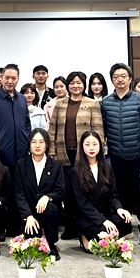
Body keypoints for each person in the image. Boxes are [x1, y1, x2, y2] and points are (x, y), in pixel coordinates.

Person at [101, 63, 140, 244]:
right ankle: (125, 229)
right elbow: (104, 128)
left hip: (138, 154)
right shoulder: (106, 102)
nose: (120, 79)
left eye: (123, 76)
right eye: (116, 76)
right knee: (119, 193)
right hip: (116, 155)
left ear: (130, 79)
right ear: (112, 80)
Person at [48, 71, 103, 240]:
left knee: (82, 190)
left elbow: (98, 130)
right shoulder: (60, 104)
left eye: (79, 82)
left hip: (85, 153)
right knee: (67, 190)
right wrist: (51, 151)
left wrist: (98, 152)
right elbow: (52, 129)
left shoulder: (92, 103)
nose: (75, 86)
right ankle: (70, 226)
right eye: (72, 83)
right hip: (64, 152)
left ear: (84, 85)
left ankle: (83, 225)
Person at [71, 130, 132, 252]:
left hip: (105, 213)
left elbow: (113, 195)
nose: (91, 148)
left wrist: (119, 208)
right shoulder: (76, 171)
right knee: (104, 231)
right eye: (87, 144)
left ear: (101, 145)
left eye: (95, 144)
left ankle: (105, 240)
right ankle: (85, 236)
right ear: (82, 147)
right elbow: (83, 204)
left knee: (125, 221)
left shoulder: (107, 167)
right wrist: (103, 221)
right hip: (87, 216)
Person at [14, 129, 65, 260]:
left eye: (41, 142)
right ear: (29, 144)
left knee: (50, 207)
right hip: (29, 212)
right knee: (32, 245)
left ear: (47, 144)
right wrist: (28, 215)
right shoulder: (21, 165)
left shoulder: (56, 165)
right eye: (34, 142)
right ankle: (36, 234)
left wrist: (47, 197)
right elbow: (19, 193)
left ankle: (51, 244)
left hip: (49, 211)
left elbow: (60, 191)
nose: (37, 145)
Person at [0, 63, 31, 169]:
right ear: (2, 78)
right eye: (7, 78)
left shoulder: (22, 98)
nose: (10, 81)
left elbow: (27, 123)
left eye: (13, 78)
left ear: (18, 79)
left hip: (22, 151)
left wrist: (26, 138)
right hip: (1, 152)